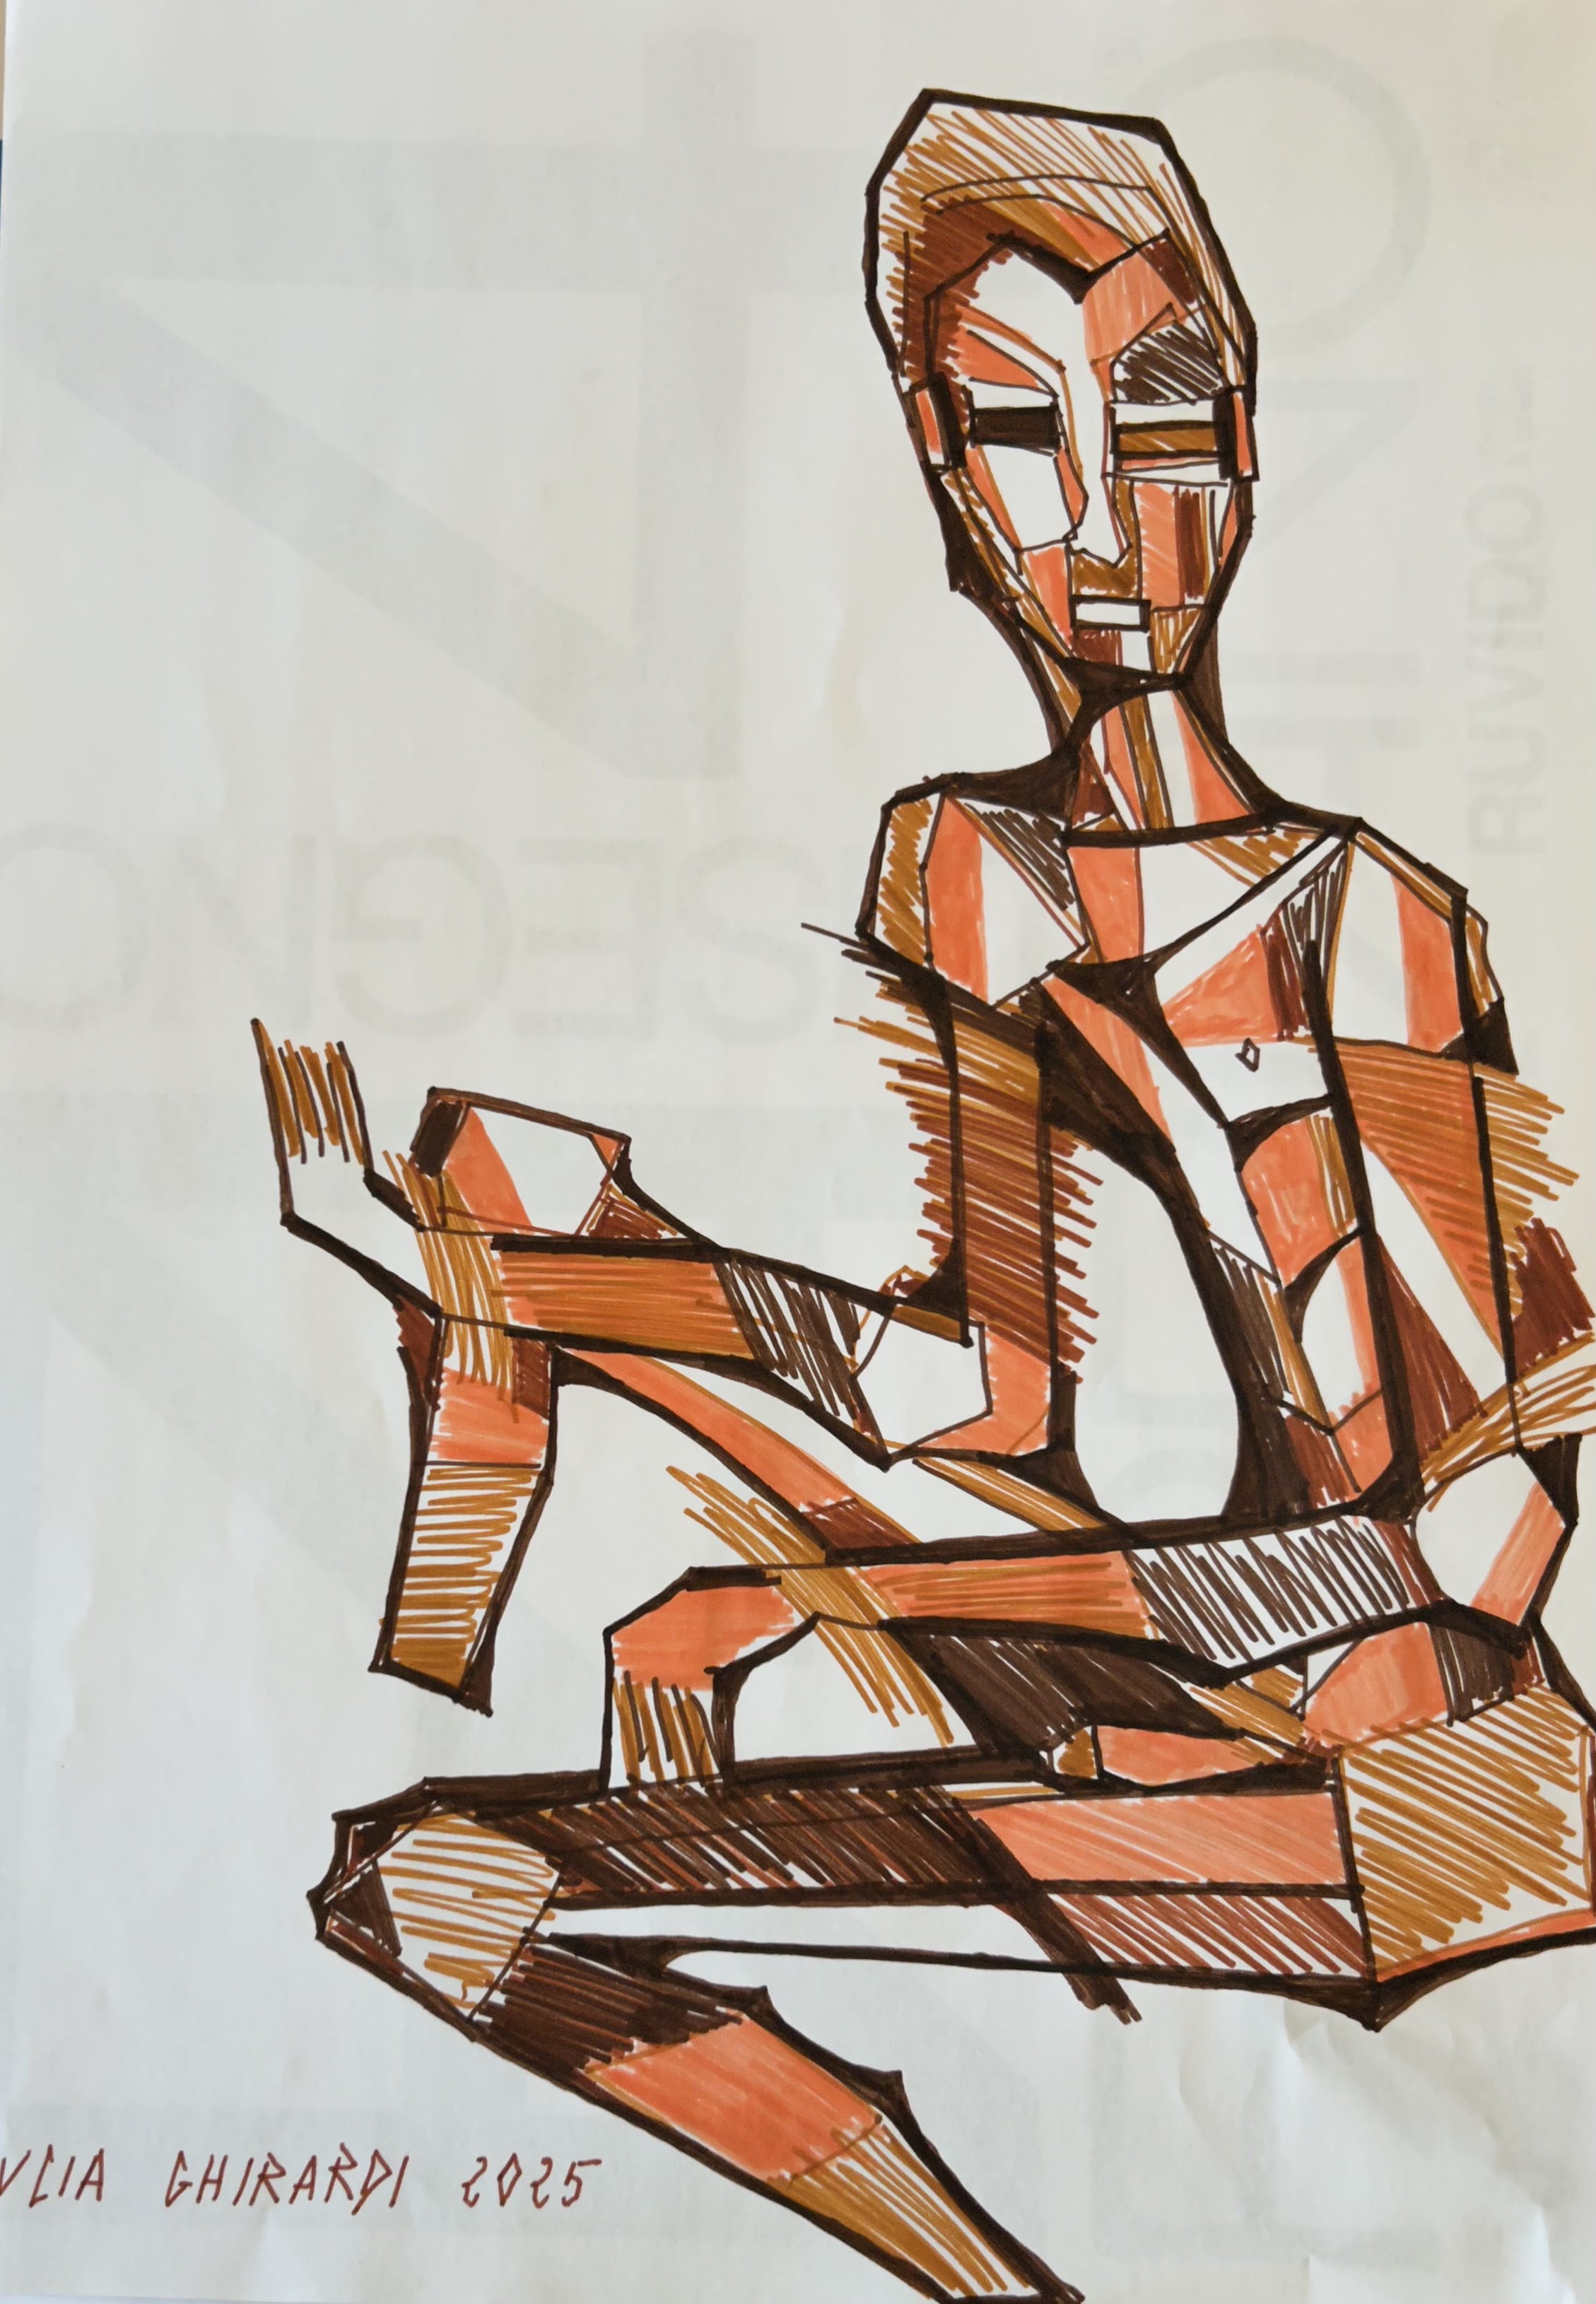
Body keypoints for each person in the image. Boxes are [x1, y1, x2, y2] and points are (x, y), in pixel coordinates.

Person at [255, 90, 1596, 2304]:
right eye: (1019, 432)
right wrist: (540, 1278)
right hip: (1178, 1726)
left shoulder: (1375, 922)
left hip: (1438, 1796)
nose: (1105, 515)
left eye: (1160, 415)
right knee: (426, 1848)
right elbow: (970, 1386)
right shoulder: (966, 866)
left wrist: (846, 1589)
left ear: (1246, 439)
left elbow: (1482, 1538)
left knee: (481, 1843)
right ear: (944, 479)